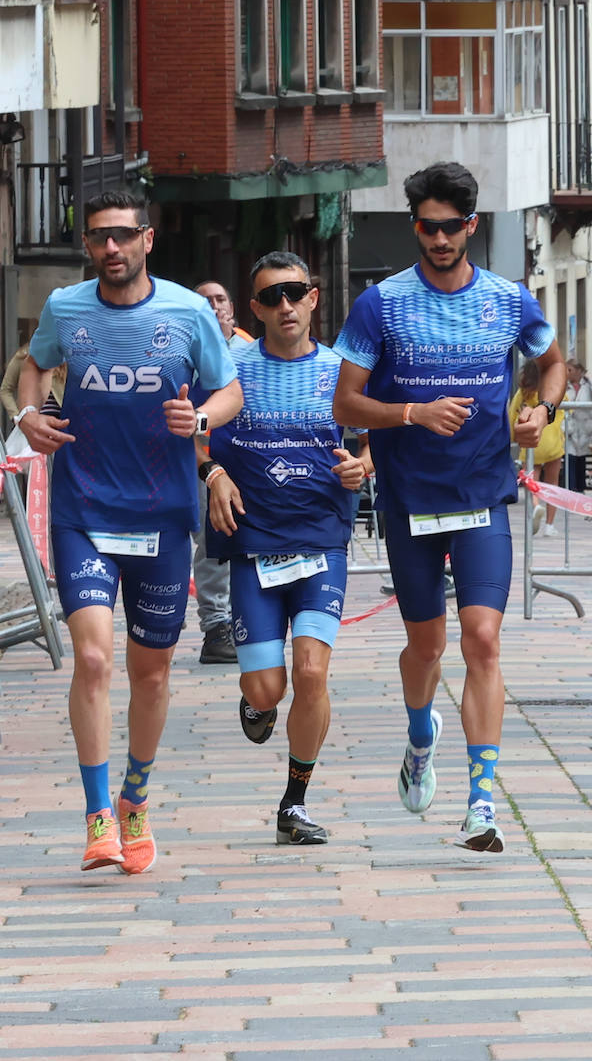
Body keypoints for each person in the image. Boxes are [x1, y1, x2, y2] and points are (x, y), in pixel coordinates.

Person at [332, 161, 565, 854]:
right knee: (426, 647)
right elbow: (345, 402)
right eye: (428, 227)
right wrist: (411, 412)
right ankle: (418, 733)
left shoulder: (508, 299)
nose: (439, 239)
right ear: (416, 226)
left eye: (452, 227)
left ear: (472, 226)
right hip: (410, 501)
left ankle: (483, 804)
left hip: (484, 493)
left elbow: (553, 364)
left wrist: (539, 409)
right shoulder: (381, 304)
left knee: (483, 640)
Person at [16, 187, 243, 874]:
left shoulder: (186, 312)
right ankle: (95, 819)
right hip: (84, 510)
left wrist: (201, 420)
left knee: (151, 671)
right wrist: (30, 416)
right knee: (91, 659)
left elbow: (230, 390)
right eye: (97, 237)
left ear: (147, 238)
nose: (109, 248)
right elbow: (34, 367)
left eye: (121, 235)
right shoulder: (66, 309)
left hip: (164, 517)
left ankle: (135, 799)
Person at [203, 251, 371, 846]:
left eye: (295, 293)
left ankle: (294, 804)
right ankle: (257, 704)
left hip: (322, 541)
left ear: (314, 297)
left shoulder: (340, 371)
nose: (285, 305)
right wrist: (213, 474)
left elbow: (377, 438)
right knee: (266, 687)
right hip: (255, 546)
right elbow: (194, 435)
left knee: (311, 672)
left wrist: (362, 465)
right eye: (271, 297)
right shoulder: (232, 368)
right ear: (255, 308)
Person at [191, 280, 255, 665]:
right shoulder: (184, 351)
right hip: (203, 460)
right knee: (213, 539)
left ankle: (248, 620)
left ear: (232, 308)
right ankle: (216, 627)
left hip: (250, 459)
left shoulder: (251, 351)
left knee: (249, 538)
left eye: (220, 299)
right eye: (205, 301)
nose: (214, 306)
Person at [509, 358, 566, 535]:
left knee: (531, 481)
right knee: (553, 483)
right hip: (552, 442)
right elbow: (566, 407)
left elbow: (512, 415)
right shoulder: (553, 391)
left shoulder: (523, 393)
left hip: (531, 442)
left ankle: (535, 504)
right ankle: (549, 525)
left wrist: (513, 436)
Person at [561, 357, 592, 492]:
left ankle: (580, 487)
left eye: (570, 370)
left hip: (585, 426)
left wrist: (589, 378)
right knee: (570, 456)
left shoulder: (587, 385)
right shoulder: (565, 385)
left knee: (581, 458)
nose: (567, 372)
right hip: (570, 426)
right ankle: (570, 488)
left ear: (579, 371)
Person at [1, 345, 66, 421]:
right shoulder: (23, 355)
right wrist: (16, 416)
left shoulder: (64, 356)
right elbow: (5, 390)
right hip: (32, 422)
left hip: (60, 421)